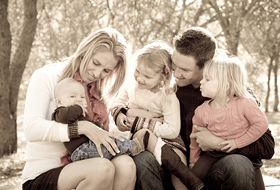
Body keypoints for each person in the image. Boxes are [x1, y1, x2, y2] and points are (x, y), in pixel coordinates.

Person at [115, 27, 274, 190]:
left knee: (238, 164)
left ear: (205, 67)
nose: (175, 74)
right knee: (143, 160)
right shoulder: (167, 86)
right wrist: (122, 111)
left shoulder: (229, 88)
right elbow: (134, 97)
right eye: (173, 64)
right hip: (173, 170)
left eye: (185, 70)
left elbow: (267, 145)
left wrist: (219, 143)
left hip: (216, 172)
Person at [22, 28, 137, 190]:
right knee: (102, 169)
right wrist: (81, 128)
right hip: (44, 173)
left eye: (106, 70)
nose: (97, 73)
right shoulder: (46, 76)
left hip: (88, 163)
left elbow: (99, 140)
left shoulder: (98, 93)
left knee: (126, 165)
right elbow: (31, 129)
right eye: (95, 63)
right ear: (85, 52)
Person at [111, 41, 203, 190]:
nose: (140, 78)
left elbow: (172, 130)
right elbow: (117, 102)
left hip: (170, 142)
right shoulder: (131, 86)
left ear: (163, 76)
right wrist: (119, 114)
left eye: (147, 76)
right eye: (138, 71)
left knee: (178, 161)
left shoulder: (167, 96)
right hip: (140, 138)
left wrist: (140, 122)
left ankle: (189, 182)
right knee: (144, 134)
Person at [189, 54, 270, 182]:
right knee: (193, 178)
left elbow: (261, 124)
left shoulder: (245, 103)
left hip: (244, 155)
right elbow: (195, 137)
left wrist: (236, 143)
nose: (201, 81)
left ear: (225, 86)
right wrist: (193, 160)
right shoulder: (201, 111)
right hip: (212, 153)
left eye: (207, 79)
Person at [52, 78, 149, 161]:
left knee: (111, 141)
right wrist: (79, 108)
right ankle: (134, 146)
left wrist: (99, 126)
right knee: (112, 144)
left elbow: (92, 130)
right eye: (72, 96)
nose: (79, 99)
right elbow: (64, 117)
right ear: (59, 102)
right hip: (81, 150)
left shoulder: (79, 114)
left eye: (82, 97)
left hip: (89, 147)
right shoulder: (59, 112)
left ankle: (127, 149)